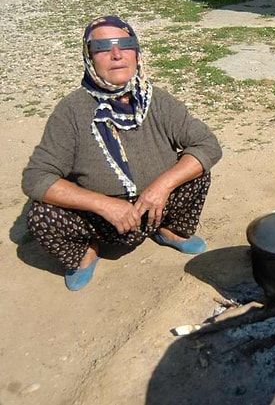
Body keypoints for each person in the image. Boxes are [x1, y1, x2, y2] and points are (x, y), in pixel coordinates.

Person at [21, 15, 223, 291]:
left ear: (137, 53)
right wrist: (104, 205)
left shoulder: (157, 100)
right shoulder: (71, 111)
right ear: (90, 57)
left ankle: (167, 229)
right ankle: (87, 250)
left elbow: (207, 144)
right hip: (100, 220)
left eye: (125, 44)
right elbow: (36, 178)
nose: (116, 54)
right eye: (103, 47)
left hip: (156, 207)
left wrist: (161, 188)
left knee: (196, 169)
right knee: (41, 215)